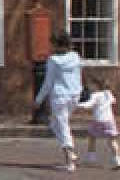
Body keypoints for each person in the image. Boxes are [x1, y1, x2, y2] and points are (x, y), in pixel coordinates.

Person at [32, 32, 85, 172]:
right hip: (74, 94)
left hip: (60, 95)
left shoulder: (53, 60)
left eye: (53, 44)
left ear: (57, 45)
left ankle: (70, 159)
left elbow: (48, 82)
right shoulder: (75, 57)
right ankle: (70, 153)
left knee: (62, 125)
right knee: (57, 124)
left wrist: (38, 99)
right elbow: (79, 75)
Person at [76, 75, 120, 171]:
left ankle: (91, 157)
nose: (90, 87)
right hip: (110, 120)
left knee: (92, 136)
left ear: (96, 85)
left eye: (92, 85)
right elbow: (113, 101)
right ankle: (118, 160)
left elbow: (88, 105)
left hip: (98, 120)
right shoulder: (108, 93)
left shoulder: (96, 95)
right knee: (112, 141)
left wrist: (77, 104)